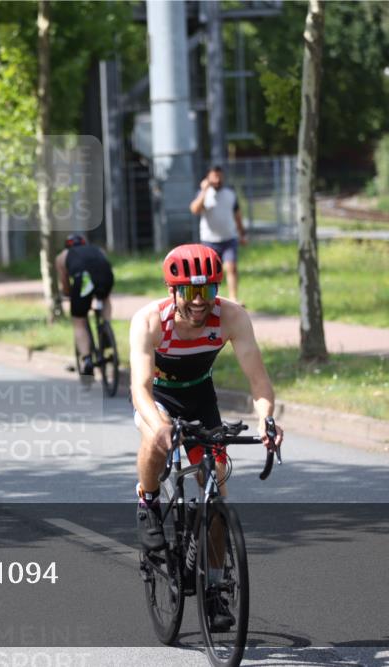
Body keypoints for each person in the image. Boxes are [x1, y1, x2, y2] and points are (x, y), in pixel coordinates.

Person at [129, 244, 283, 627]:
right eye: (191, 292)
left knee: (214, 498)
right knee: (153, 439)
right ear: (173, 291)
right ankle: (148, 504)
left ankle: (214, 592)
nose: (200, 302)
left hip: (201, 397)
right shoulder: (149, 321)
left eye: (209, 291)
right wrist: (161, 427)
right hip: (160, 397)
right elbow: (140, 388)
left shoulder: (231, 316)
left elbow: (259, 381)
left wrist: (266, 420)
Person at [54, 233, 114, 376]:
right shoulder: (97, 249)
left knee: (79, 321)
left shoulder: (62, 256)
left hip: (84, 281)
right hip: (106, 277)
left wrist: (69, 295)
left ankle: (87, 359)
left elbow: (65, 283)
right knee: (105, 298)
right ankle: (105, 328)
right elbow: (105, 264)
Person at [189, 166, 247, 304]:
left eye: (220, 176)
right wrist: (204, 191)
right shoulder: (204, 195)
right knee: (210, 273)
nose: (217, 179)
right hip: (209, 241)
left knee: (231, 268)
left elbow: (237, 216)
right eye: (214, 176)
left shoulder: (230, 194)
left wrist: (242, 234)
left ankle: (233, 298)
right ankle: (210, 298)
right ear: (208, 178)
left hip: (228, 239)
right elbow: (195, 209)